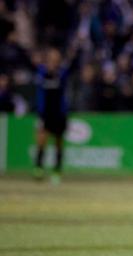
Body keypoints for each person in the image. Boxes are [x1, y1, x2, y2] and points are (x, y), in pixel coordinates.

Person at [33, 46, 78, 184]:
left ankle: (57, 170)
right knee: (41, 140)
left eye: (56, 58)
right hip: (44, 113)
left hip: (59, 113)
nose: (54, 60)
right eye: (52, 58)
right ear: (47, 59)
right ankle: (39, 167)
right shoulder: (41, 72)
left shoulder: (62, 73)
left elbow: (72, 68)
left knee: (59, 142)